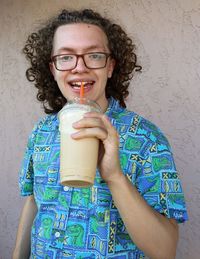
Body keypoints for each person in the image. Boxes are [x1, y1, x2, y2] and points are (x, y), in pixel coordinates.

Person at [13, 8, 188, 259]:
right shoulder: (40, 132)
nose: (79, 67)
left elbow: (165, 250)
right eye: (65, 57)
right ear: (52, 69)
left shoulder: (147, 139)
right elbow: (33, 200)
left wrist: (115, 176)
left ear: (110, 67)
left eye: (94, 56)